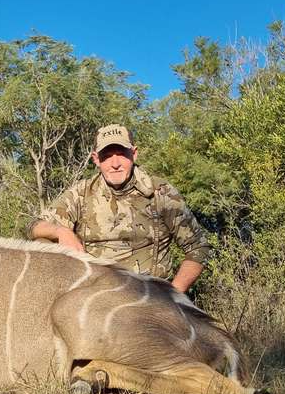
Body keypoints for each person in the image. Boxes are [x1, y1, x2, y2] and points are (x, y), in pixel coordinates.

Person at [27, 124, 210, 293]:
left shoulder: (160, 192)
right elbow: (34, 226)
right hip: (94, 293)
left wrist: (174, 297)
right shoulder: (82, 192)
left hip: (148, 295)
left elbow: (198, 247)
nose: (115, 163)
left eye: (121, 153)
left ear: (134, 154)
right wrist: (62, 231)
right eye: (107, 156)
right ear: (96, 159)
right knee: (43, 244)